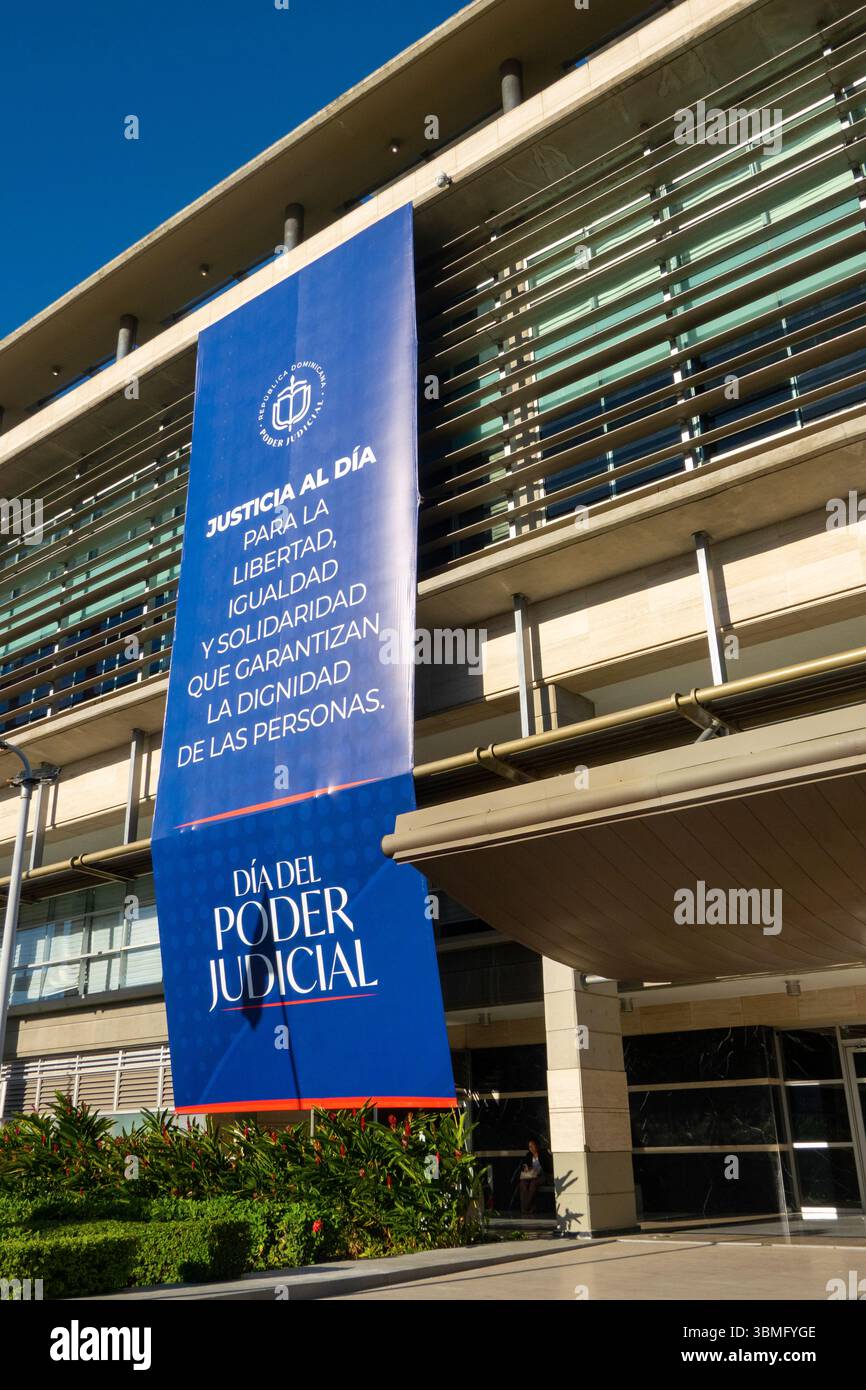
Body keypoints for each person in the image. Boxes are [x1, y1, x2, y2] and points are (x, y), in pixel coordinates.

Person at [518, 1137, 543, 1215]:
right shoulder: (528, 1155)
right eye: (529, 1147)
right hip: (531, 1175)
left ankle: (525, 1208)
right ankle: (528, 1208)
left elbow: (547, 1167)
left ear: (537, 1146)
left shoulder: (543, 1155)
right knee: (522, 1183)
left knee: (533, 1183)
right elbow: (525, 1164)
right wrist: (526, 1167)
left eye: (532, 1146)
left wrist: (538, 1171)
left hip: (541, 1176)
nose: (531, 1148)